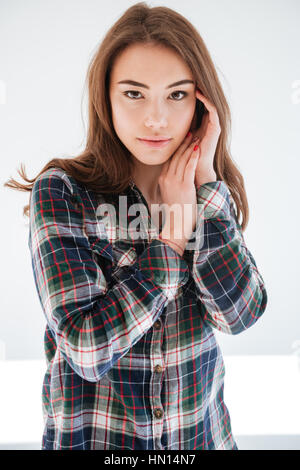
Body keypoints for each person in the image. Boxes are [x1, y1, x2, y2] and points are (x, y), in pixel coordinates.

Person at [4, 2, 268, 450]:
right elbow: (87, 349)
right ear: (105, 97)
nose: (156, 118)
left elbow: (240, 315)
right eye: (134, 93)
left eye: (177, 94)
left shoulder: (211, 194)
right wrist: (169, 242)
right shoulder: (63, 192)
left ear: (203, 104)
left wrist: (205, 187)